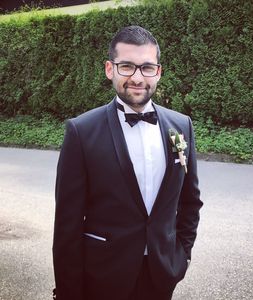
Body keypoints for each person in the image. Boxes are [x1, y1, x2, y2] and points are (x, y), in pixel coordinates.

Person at [52, 25, 203, 300]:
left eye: (146, 67)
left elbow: (190, 201)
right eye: (126, 67)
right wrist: (68, 291)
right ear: (110, 69)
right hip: (101, 275)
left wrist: (182, 256)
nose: (137, 77)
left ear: (158, 72)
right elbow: (67, 224)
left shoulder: (181, 126)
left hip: (161, 274)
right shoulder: (81, 131)